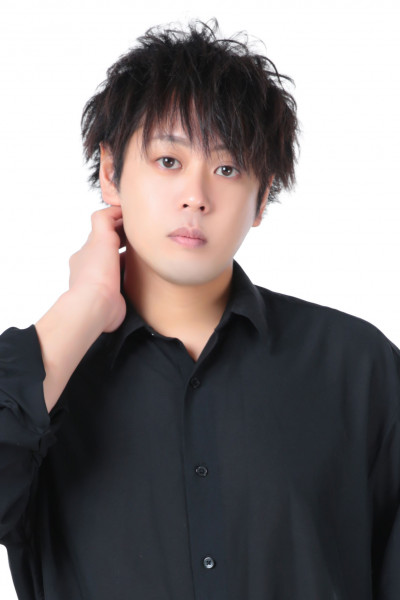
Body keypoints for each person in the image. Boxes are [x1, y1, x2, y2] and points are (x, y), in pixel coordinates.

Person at [0, 16, 399, 600]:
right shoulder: (51, 378)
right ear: (110, 172)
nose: (196, 196)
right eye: (169, 161)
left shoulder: (358, 368)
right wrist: (84, 306)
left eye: (227, 168)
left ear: (261, 198)